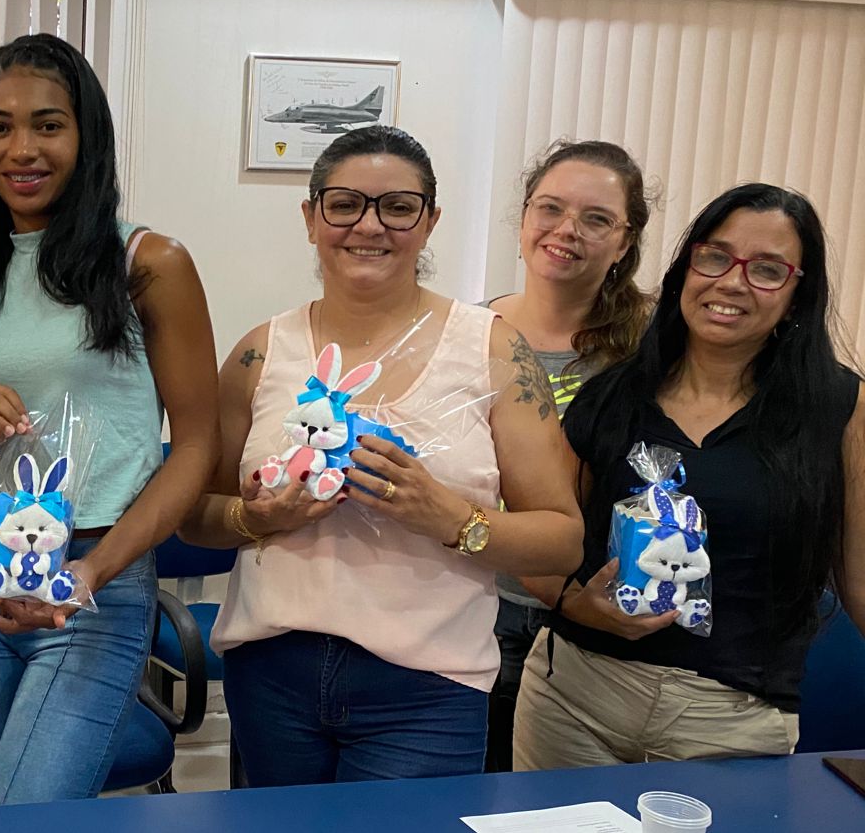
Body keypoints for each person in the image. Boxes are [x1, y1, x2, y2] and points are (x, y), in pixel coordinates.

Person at [178, 126, 583, 784]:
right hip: (271, 676)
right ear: (311, 218)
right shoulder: (260, 353)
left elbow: (562, 541)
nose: (370, 226)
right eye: (344, 204)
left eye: (398, 207)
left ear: (430, 222)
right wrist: (255, 518)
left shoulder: (493, 350)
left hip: (428, 689)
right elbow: (194, 514)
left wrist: (451, 518)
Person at [0, 33, 219, 805]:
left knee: (22, 812)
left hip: (95, 577)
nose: (21, 148)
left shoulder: (149, 263)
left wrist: (95, 570)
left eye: (48, 124)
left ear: (87, 136)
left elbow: (197, 446)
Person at [515, 183, 865, 769]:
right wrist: (577, 606)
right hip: (573, 699)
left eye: (767, 270)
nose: (732, 282)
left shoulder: (841, 409)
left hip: (729, 722)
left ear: (796, 296)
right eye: (715, 256)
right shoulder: (611, 394)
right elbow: (543, 540)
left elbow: (860, 582)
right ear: (686, 268)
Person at [481, 140, 652, 771]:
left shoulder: (656, 347)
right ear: (525, 215)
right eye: (550, 208)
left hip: (596, 623)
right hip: (480, 611)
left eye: (596, 218)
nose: (566, 230)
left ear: (625, 241)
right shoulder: (472, 334)